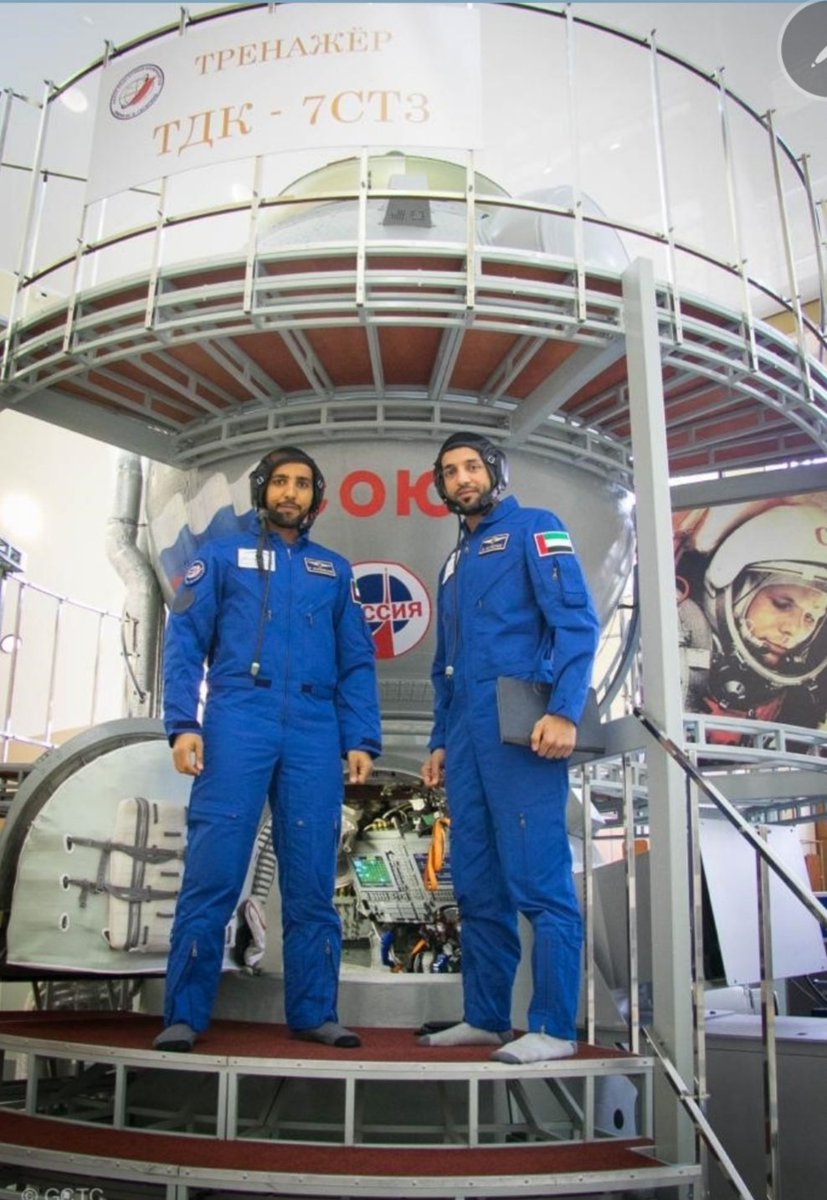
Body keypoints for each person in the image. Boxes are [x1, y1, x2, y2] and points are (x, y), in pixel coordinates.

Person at [154, 446, 382, 1053]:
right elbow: (185, 641)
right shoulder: (219, 558)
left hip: (314, 728)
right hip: (237, 718)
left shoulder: (334, 572)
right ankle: (184, 1015)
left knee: (311, 880)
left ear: (315, 497)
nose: (290, 493)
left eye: (302, 484)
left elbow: (357, 661)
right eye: (280, 482)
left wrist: (361, 737)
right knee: (213, 872)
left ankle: (315, 1013)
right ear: (262, 490)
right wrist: (183, 723)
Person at [419, 433, 600, 1064]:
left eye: (472, 467)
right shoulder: (452, 564)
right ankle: (486, 1017)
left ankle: (553, 1026)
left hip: (522, 730)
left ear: (495, 472)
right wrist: (440, 741)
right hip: (467, 739)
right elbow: (445, 664)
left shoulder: (535, 528)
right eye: (450, 472)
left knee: (540, 881)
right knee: (477, 883)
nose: (462, 479)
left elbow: (576, 622)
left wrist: (564, 710)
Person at [677, 502, 827, 733]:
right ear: (733, 592)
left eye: (811, 617)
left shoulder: (802, 706)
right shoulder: (680, 640)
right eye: (782, 605)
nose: (794, 630)